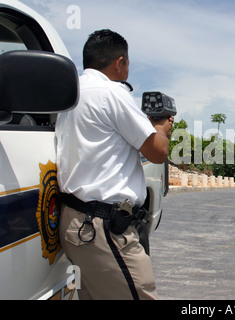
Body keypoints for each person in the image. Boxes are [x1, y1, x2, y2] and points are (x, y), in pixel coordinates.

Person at [55, 29, 173, 300]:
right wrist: (162, 128)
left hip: (78, 219)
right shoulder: (112, 93)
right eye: (128, 63)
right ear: (120, 62)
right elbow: (157, 152)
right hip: (102, 227)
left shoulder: (72, 92)